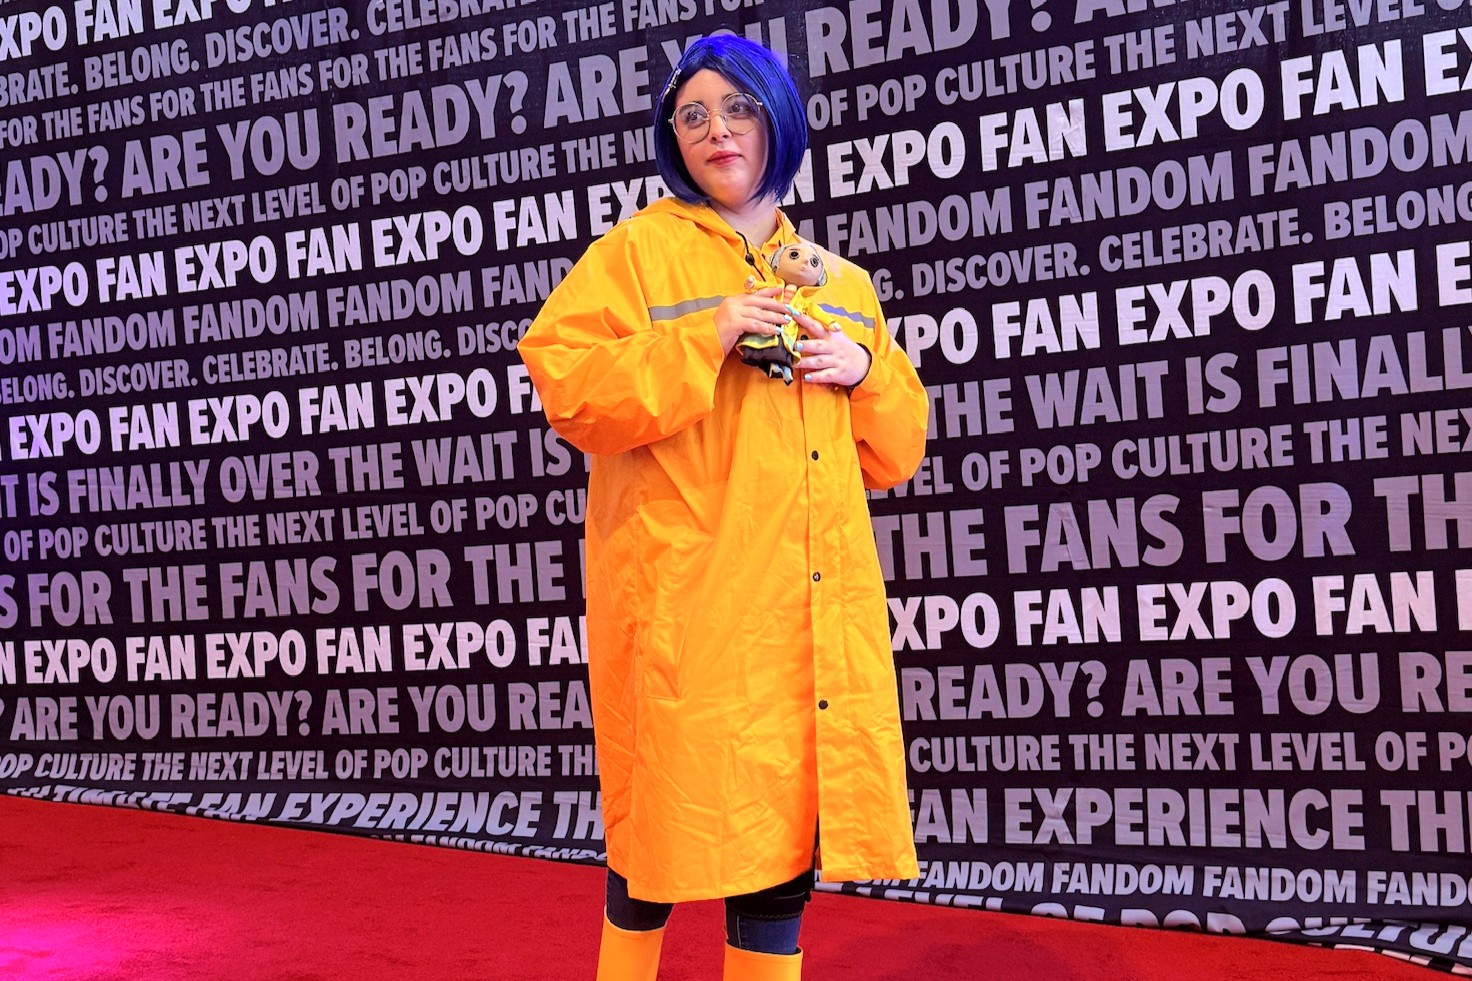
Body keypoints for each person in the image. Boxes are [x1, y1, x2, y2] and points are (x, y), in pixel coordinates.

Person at [518, 34, 927, 981]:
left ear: (776, 121)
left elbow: (896, 449)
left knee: (779, 866)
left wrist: (862, 372)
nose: (717, 130)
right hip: (689, 613)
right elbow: (570, 388)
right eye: (694, 114)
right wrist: (705, 334)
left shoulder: (841, 285)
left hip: (805, 625)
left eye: (738, 108)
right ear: (674, 137)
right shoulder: (636, 255)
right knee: (654, 855)